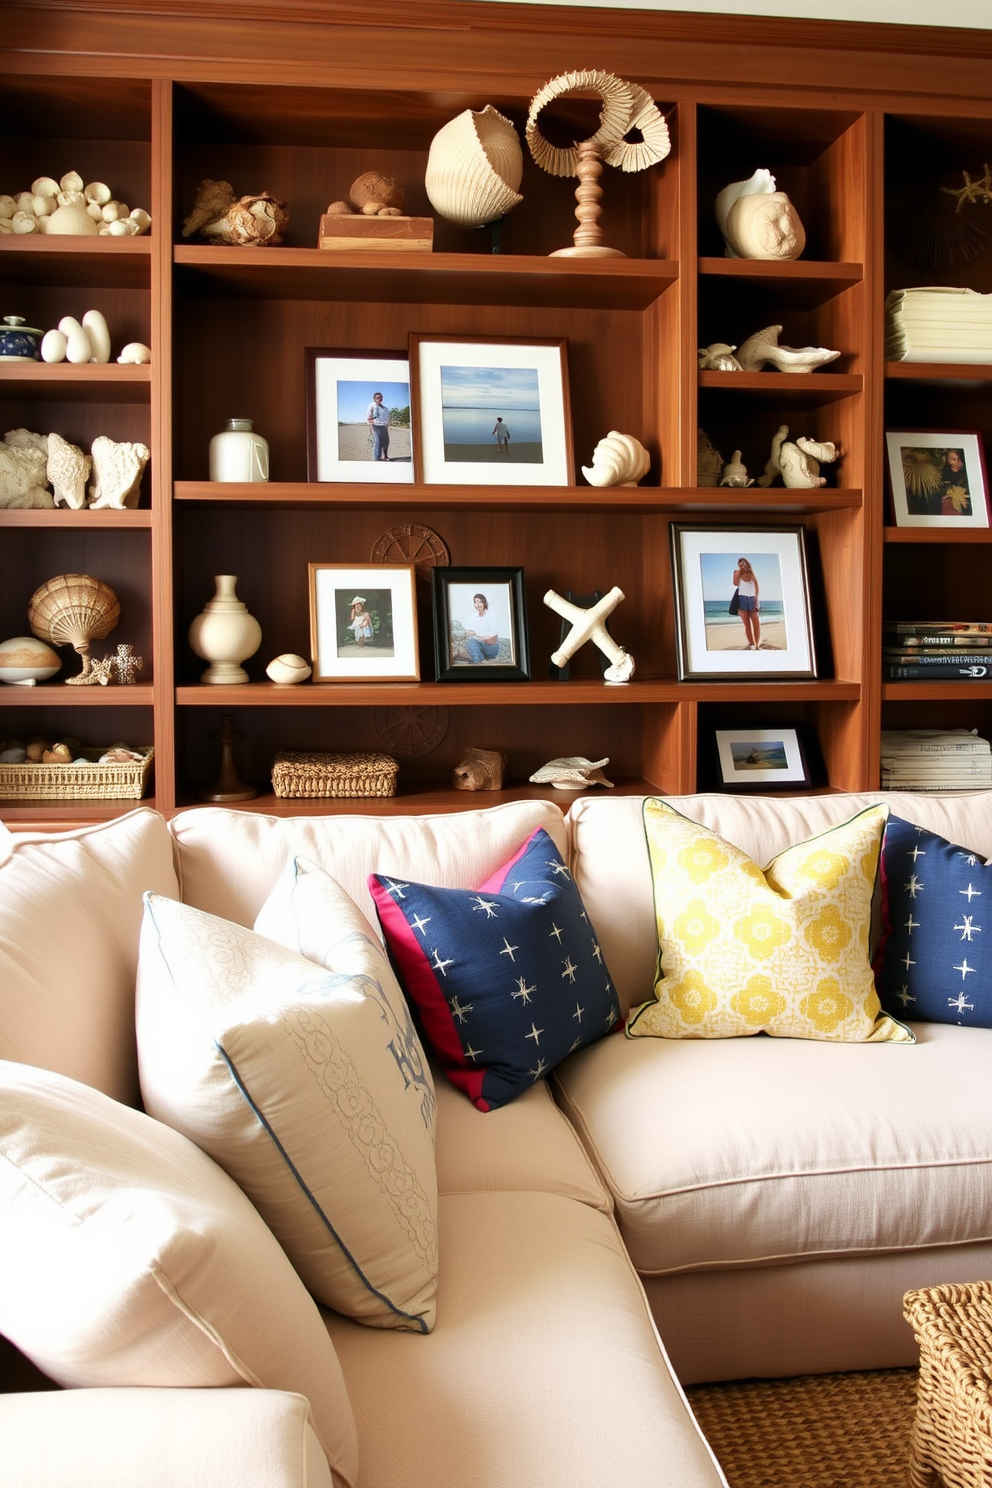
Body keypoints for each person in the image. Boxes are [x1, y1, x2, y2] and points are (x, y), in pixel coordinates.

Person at [460, 592, 500, 662]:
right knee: (469, 641)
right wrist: (473, 634)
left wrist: (476, 634)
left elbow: (492, 634)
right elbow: (471, 630)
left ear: (484, 602)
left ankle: (477, 659)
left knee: (471, 640)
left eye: (479, 602)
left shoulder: (491, 614)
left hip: (491, 647)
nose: (477, 605)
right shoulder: (473, 615)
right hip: (480, 643)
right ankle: (478, 659)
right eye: (475, 602)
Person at [733, 558, 761, 650]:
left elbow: (757, 591)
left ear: (748, 564)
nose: (742, 563)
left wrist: (757, 604)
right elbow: (735, 583)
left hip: (752, 600)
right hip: (742, 600)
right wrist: (740, 570)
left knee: (756, 624)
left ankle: (757, 645)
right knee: (747, 625)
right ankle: (751, 644)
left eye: (744, 562)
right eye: (740, 562)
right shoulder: (737, 573)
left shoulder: (753, 577)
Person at [940, 447, 972, 516]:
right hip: (951, 492)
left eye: (957, 459)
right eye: (952, 459)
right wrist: (954, 473)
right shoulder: (946, 469)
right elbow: (946, 483)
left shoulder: (965, 468)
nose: (954, 462)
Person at [366, 392, 390, 461]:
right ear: (374, 399)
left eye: (380, 397)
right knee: (377, 443)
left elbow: (387, 419)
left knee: (386, 442)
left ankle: (385, 456)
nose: (379, 399)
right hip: (376, 426)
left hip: (384, 427)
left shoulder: (385, 409)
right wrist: (371, 428)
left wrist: (386, 427)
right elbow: (369, 417)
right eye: (377, 398)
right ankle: (377, 459)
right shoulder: (372, 406)